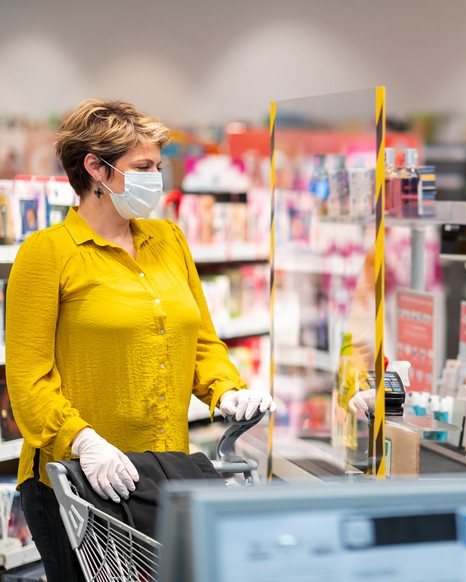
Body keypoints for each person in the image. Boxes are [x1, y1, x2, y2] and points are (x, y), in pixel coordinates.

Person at [5, 99, 275, 582]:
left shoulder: (168, 239)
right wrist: (83, 441)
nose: (156, 178)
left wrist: (225, 389)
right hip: (77, 483)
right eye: (143, 167)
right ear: (95, 168)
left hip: (165, 473)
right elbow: (28, 380)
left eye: (158, 166)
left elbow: (201, 343)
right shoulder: (46, 255)